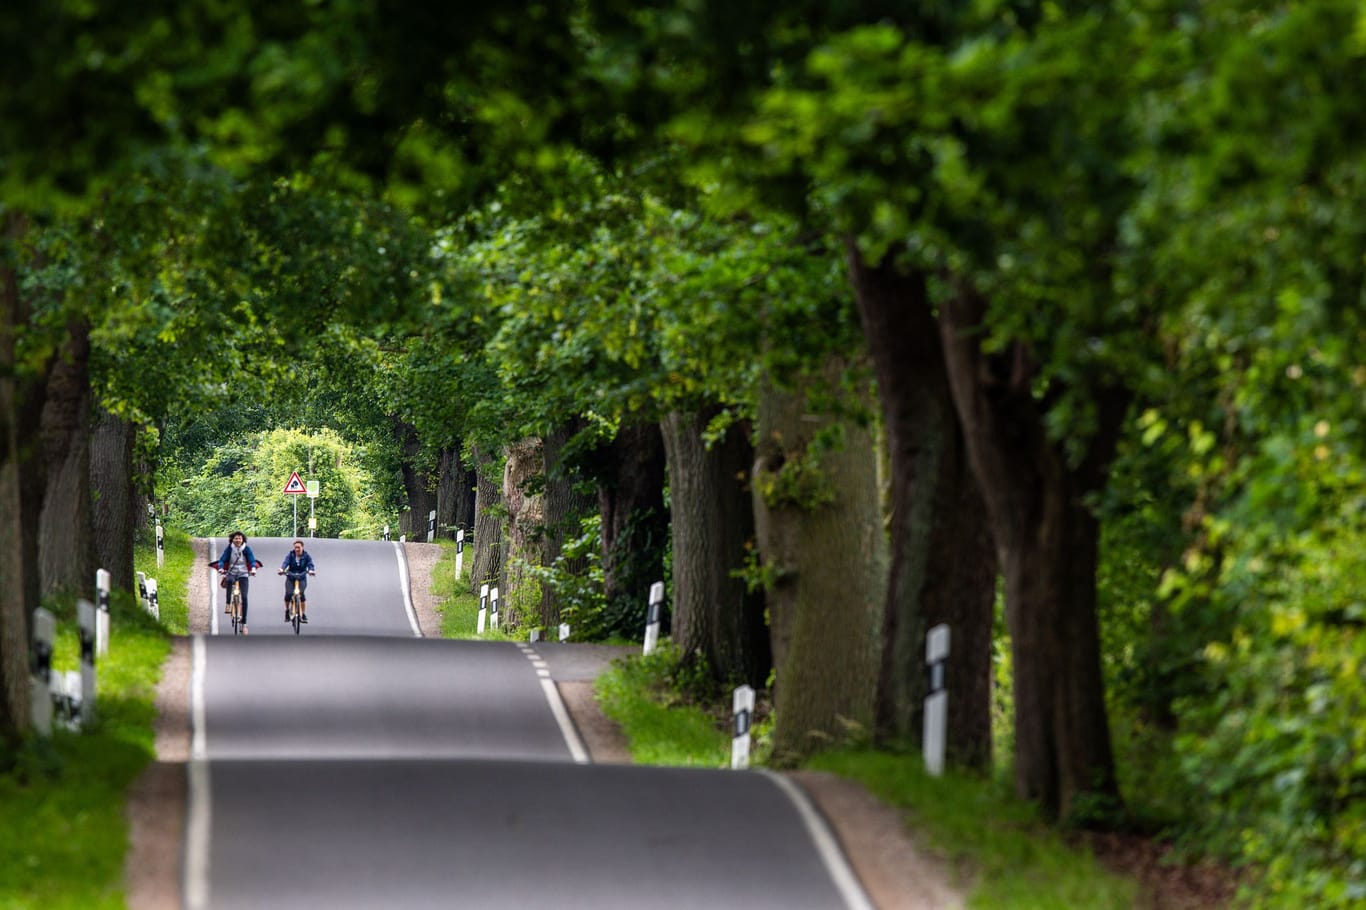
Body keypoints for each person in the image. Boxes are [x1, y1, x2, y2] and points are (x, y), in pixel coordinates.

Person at [213, 531, 262, 634]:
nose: (238, 540)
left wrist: (253, 569)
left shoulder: (246, 549)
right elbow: (222, 560)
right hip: (232, 572)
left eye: (240, 538)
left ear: (243, 539)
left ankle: (244, 624)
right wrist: (221, 568)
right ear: (232, 539)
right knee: (229, 580)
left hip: (243, 574)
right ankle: (228, 604)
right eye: (236, 538)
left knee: (244, 597)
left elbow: (252, 560)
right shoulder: (229, 548)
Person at [279, 539, 316, 623]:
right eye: (295, 547)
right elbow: (285, 563)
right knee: (288, 594)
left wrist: (311, 570)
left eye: (298, 547)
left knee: (301, 594)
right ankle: (287, 611)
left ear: (302, 547)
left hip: (302, 576)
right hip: (291, 576)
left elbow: (310, 564)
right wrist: (282, 569)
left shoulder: (306, 556)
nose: (297, 549)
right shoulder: (290, 555)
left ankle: (303, 614)